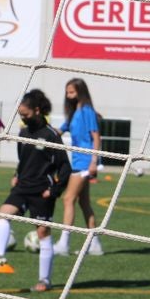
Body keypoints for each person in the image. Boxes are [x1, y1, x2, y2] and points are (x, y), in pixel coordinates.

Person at [0, 89, 72, 292]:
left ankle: (44, 280)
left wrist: (53, 191)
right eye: (20, 115)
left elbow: (65, 168)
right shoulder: (24, 133)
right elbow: (25, 160)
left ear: (37, 110)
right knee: (0, 215)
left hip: (42, 191)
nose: (23, 119)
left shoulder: (51, 135)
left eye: (25, 115)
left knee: (43, 232)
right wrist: (17, 173)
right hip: (22, 187)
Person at [54, 78, 102, 257]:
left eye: (72, 92)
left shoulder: (87, 111)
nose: (69, 95)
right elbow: (59, 131)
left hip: (84, 162)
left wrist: (94, 162)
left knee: (68, 199)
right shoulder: (74, 112)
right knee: (84, 203)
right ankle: (95, 244)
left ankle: (63, 243)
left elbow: (96, 137)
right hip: (77, 161)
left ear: (81, 92)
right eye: (67, 92)